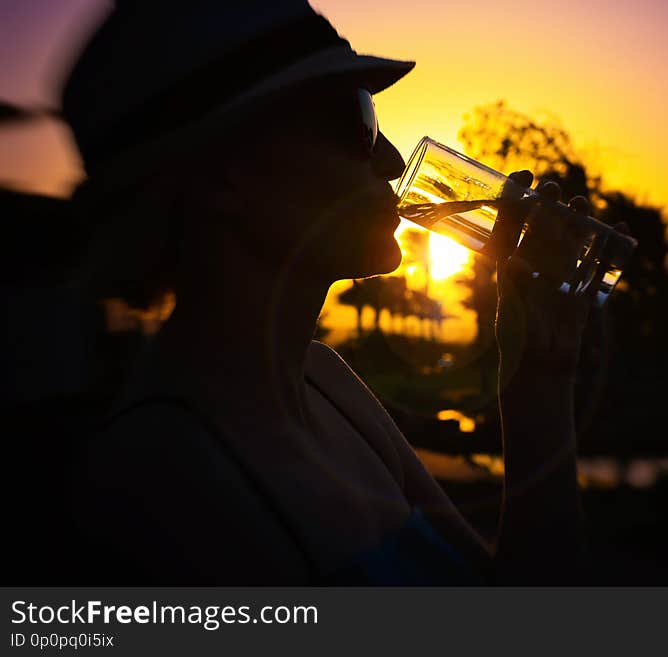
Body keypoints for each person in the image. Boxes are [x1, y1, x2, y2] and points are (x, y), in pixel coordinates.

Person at [62, 1, 612, 584]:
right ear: (229, 173)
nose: (393, 160)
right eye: (357, 118)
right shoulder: (162, 478)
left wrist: (541, 377)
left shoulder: (323, 381)